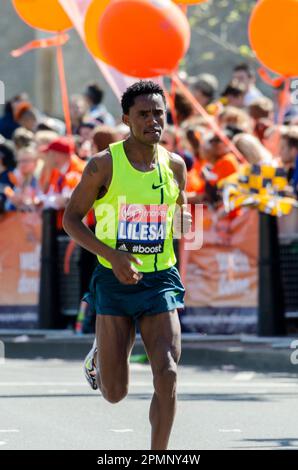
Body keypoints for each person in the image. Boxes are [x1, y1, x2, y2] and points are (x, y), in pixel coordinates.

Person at [63, 80, 191, 450]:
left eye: (159, 114)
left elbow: (182, 220)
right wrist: (113, 255)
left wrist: (185, 225)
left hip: (160, 281)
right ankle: (100, 356)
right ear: (126, 119)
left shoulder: (176, 165)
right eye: (143, 114)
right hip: (114, 280)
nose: (153, 121)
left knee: (167, 373)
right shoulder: (103, 165)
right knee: (115, 393)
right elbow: (71, 220)